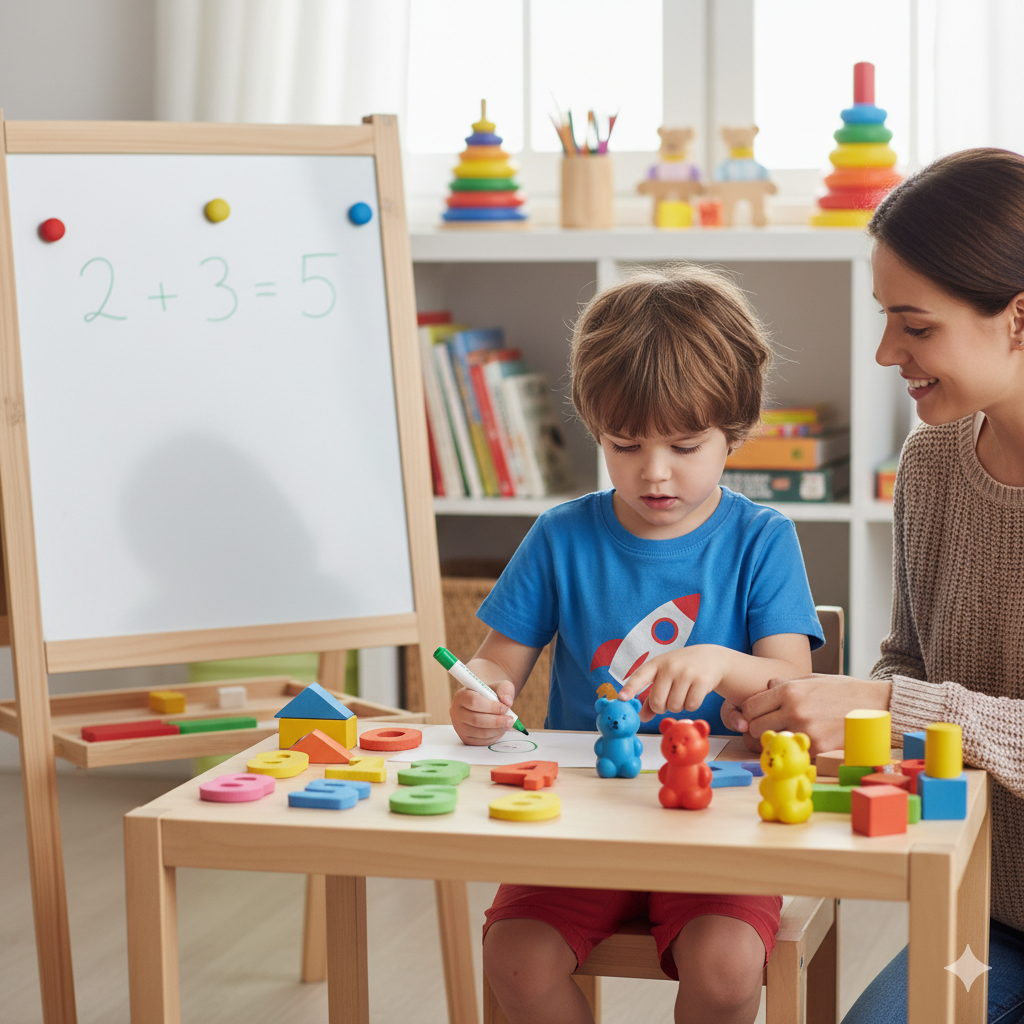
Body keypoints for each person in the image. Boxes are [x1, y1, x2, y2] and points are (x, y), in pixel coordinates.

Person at [450, 265, 825, 1024]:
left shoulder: (762, 540)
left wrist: (721, 665)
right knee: (515, 959)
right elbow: (497, 663)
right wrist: (481, 694)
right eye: (625, 445)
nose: (655, 473)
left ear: (735, 433)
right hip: (583, 813)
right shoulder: (562, 536)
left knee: (724, 968)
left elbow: (792, 690)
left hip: (719, 827)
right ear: (596, 430)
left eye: (686, 445)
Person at [719, 148, 1024, 1024]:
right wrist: (813, 716)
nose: (887, 350)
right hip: (985, 914)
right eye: (885, 318)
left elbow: (909, 700)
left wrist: (890, 708)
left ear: (1017, 319)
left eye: (915, 325)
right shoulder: (930, 464)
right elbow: (909, 664)